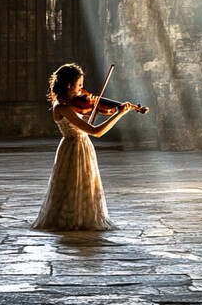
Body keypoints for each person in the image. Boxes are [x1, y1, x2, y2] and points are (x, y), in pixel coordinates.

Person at [31, 63, 134, 231]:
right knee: (73, 184)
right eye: (79, 85)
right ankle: (74, 219)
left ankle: (81, 217)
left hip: (80, 146)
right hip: (75, 148)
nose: (83, 89)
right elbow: (96, 132)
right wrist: (118, 113)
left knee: (81, 185)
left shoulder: (70, 104)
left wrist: (97, 108)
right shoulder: (63, 108)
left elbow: (86, 117)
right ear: (69, 85)